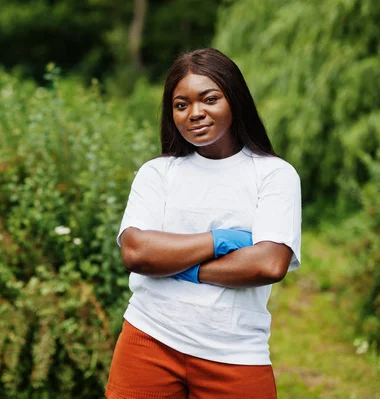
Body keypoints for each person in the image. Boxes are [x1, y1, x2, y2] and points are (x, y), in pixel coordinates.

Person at [105, 48, 302, 399]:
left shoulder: (274, 175)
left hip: (235, 354)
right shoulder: (158, 173)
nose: (195, 113)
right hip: (148, 340)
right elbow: (136, 253)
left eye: (209, 99)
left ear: (235, 100)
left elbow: (269, 263)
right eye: (181, 105)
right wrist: (221, 241)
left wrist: (178, 266)